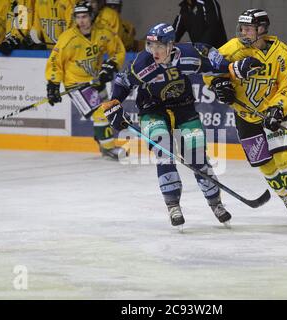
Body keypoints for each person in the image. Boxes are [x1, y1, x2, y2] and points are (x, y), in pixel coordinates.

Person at [101, 23, 259, 228]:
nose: (153, 51)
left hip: (184, 108)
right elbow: (123, 82)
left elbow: (215, 61)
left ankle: (215, 203)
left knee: (197, 156)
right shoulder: (143, 63)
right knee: (163, 151)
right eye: (150, 46)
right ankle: (173, 204)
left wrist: (237, 67)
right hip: (152, 110)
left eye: (158, 46)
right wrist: (114, 102)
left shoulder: (188, 56)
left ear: (170, 45)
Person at [204, 9, 287, 225]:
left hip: (273, 115)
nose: (243, 32)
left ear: (261, 29)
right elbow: (209, 69)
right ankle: (286, 199)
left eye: (248, 28)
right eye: (242, 28)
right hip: (245, 116)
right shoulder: (233, 48)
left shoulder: (283, 53)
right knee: (266, 165)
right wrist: (218, 83)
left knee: (285, 159)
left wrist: (277, 109)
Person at [45, 1, 126, 159]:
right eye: (78, 17)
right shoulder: (68, 38)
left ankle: (101, 137)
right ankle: (108, 148)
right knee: (101, 111)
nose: (81, 20)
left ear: (91, 16)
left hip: (95, 80)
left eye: (84, 16)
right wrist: (53, 85)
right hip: (76, 83)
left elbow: (117, 50)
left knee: (108, 109)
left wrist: (111, 66)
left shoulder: (103, 33)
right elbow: (55, 61)